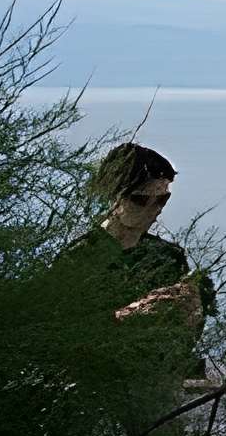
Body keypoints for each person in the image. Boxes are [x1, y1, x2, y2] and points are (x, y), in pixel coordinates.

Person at [62, 142, 215, 365]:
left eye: (163, 199)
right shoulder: (80, 258)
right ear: (114, 195)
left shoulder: (169, 258)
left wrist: (191, 311)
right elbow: (62, 332)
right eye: (140, 200)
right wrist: (128, 316)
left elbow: (183, 333)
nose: (154, 208)